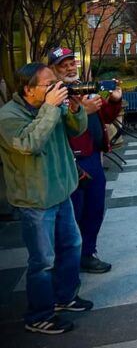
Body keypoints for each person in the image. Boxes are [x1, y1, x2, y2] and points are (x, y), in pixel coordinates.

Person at [0, 63, 93, 335]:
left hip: (62, 192)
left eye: (56, 81)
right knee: (43, 261)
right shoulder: (8, 116)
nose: (57, 86)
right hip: (36, 200)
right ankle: (39, 315)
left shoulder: (54, 104)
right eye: (49, 83)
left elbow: (76, 131)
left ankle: (66, 297)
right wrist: (51, 108)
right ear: (29, 89)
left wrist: (75, 109)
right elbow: (29, 145)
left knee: (72, 246)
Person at [49, 47, 122, 274]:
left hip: (93, 157)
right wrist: (84, 110)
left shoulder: (85, 87)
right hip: (72, 161)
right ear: (54, 69)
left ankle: (87, 253)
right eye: (64, 64)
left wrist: (114, 100)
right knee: (75, 212)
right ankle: (71, 259)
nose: (71, 68)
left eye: (72, 63)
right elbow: (55, 127)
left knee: (95, 209)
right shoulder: (54, 94)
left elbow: (106, 117)